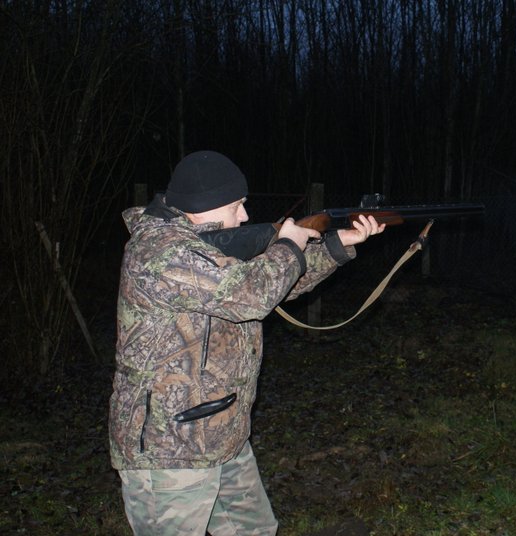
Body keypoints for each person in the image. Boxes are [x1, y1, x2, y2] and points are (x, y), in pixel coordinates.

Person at [108, 150, 384, 535]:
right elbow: (251, 295)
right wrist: (288, 245)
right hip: (170, 450)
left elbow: (274, 284)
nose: (244, 216)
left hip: (222, 434)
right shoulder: (161, 251)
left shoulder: (202, 244)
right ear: (204, 206)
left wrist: (337, 245)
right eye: (236, 206)